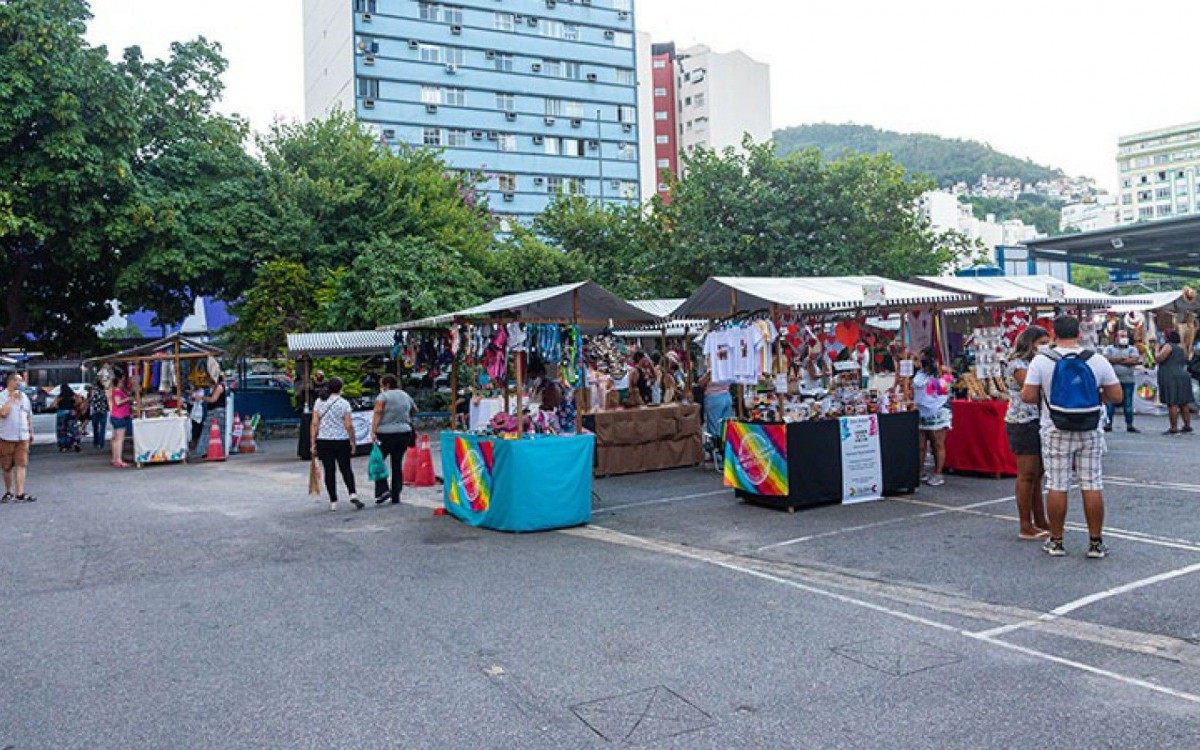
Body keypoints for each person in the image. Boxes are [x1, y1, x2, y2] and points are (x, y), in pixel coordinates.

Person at [1022, 315, 1123, 559]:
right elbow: (1117, 395)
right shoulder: (1096, 360)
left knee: (1057, 483)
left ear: (1054, 334)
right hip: (1089, 427)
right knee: (1092, 483)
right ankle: (1096, 543)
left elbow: (1027, 396)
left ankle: (1056, 541)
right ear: (1079, 333)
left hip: (1055, 427)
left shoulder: (1041, 361)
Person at [1004, 326, 1051, 540]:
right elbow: (1031, 388)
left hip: (1038, 420)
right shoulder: (1018, 365)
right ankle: (1025, 524)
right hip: (1023, 422)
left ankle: (1040, 520)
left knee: (1037, 474)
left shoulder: (1037, 363)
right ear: (1030, 343)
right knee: (1027, 475)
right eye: (1041, 342)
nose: (1045, 346)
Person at [311, 377, 362, 511]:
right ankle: (352, 493)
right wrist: (353, 441)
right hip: (341, 439)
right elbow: (349, 425)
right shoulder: (344, 403)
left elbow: (315, 423)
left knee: (329, 470)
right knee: (346, 468)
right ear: (341, 388)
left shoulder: (319, 401)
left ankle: (333, 501)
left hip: (324, 440)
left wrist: (313, 442)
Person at [369, 374, 416, 505]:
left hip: (385, 434)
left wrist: (373, 430)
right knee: (397, 463)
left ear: (387, 385)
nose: (381, 387)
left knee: (377, 461)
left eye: (381, 385)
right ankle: (396, 495)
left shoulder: (383, 396)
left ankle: (382, 490)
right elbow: (414, 409)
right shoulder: (405, 395)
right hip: (404, 433)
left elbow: (378, 411)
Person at [913, 349, 952, 487]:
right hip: (921, 413)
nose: (919, 362)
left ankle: (938, 473)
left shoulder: (941, 373)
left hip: (938, 411)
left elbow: (941, 391)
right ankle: (920, 471)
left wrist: (941, 375)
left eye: (922, 359)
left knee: (937, 443)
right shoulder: (919, 373)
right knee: (921, 445)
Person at [0, 372, 36, 503]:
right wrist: (12, 399)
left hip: (23, 435)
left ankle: (20, 493)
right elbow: (3, 413)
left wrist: (31, 432)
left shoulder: (25, 397)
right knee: (7, 466)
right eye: (19, 381)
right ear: (11, 381)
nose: (21, 384)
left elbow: (28, 415)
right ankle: (9, 491)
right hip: (6, 436)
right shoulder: (2, 396)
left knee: (22, 464)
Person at [1156, 329, 1194, 435]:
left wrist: (1156, 350)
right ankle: (1187, 426)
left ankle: (1173, 427)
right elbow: (1187, 359)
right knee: (1183, 402)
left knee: (1172, 402)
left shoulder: (1168, 346)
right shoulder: (1182, 347)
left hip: (1171, 376)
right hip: (1182, 374)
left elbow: (1159, 358)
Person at [1103, 330, 1141, 433]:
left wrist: (1116, 360)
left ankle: (1129, 424)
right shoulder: (1109, 349)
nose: (1124, 338)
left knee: (1128, 403)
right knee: (1110, 404)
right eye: (1121, 336)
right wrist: (1124, 359)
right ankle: (1108, 424)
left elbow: (1134, 360)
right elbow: (1106, 360)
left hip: (1128, 380)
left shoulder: (1132, 349)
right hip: (1112, 381)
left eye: (1125, 336)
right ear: (1116, 338)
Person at [108, 372, 133, 469]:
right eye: (122, 380)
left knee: (115, 439)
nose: (123, 382)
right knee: (119, 439)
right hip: (120, 416)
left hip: (115, 416)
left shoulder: (115, 390)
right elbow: (118, 402)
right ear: (118, 381)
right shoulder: (118, 391)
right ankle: (118, 460)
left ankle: (115, 459)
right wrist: (128, 399)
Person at [203, 374, 228, 458]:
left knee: (216, 432)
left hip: (217, 412)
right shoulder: (216, 387)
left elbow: (213, 399)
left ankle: (216, 451)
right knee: (213, 432)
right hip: (215, 411)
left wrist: (203, 398)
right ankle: (211, 451)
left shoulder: (219, 387)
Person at [52, 384, 82, 453]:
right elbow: (79, 402)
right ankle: (76, 443)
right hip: (71, 412)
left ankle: (63, 447)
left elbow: (54, 405)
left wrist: (58, 407)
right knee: (73, 429)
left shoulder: (60, 397)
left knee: (62, 430)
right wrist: (74, 406)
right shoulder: (73, 395)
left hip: (61, 412)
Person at [87, 382, 109, 450]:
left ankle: (96, 442)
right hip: (103, 410)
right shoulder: (105, 391)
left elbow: (91, 401)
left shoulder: (93, 391)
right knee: (102, 428)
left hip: (95, 411)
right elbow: (107, 401)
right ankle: (101, 444)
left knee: (95, 428)